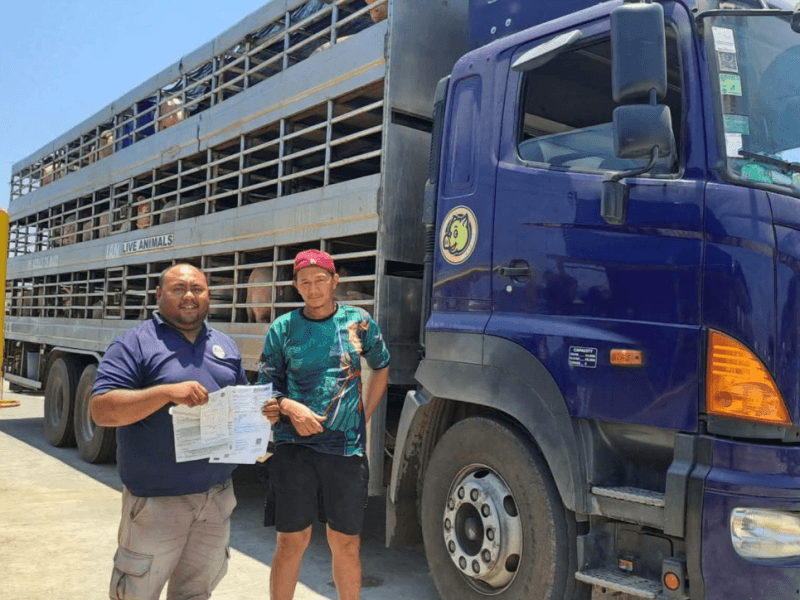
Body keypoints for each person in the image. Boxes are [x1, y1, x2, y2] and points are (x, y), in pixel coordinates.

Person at [91, 263, 248, 600]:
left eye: (198, 289)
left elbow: (240, 406)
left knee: (196, 593)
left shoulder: (225, 346)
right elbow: (102, 410)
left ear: (208, 295)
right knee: (136, 594)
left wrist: (264, 414)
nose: (189, 296)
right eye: (178, 289)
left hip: (216, 500)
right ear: (159, 294)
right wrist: (165, 393)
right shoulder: (134, 344)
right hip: (157, 504)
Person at [259, 249, 390, 600]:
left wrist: (364, 414)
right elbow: (266, 387)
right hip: (294, 450)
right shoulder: (283, 328)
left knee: (346, 543)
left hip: (345, 452)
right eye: (305, 282)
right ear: (295, 286)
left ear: (335, 281)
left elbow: (381, 366)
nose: (313, 288)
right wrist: (289, 407)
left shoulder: (358, 321)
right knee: (290, 541)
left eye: (320, 280)